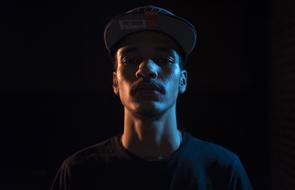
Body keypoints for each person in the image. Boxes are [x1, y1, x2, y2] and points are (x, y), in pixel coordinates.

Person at [50, 5, 253, 190]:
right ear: (115, 82)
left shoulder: (223, 171)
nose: (146, 69)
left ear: (182, 81)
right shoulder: (78, 174)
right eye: (130, 59)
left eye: (164, 59)